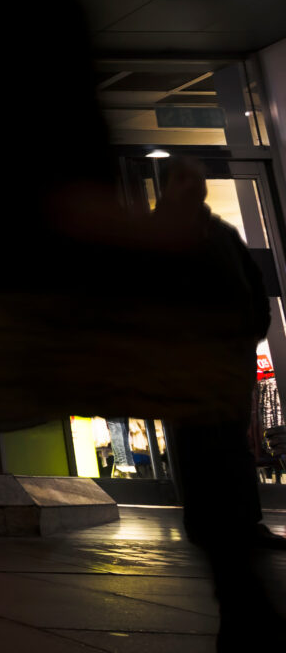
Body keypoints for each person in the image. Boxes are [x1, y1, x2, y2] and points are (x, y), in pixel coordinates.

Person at [157, 159, 285, 649]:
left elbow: (252, 291)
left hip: (225, 363)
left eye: (196, 177)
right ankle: (216, 525)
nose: (195, 184)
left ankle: (238, 523)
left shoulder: (220, 233)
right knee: (204, 447)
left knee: (230, 446)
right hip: (189, 368)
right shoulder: (161, 235)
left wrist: (248, 332)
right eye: (185, 178)